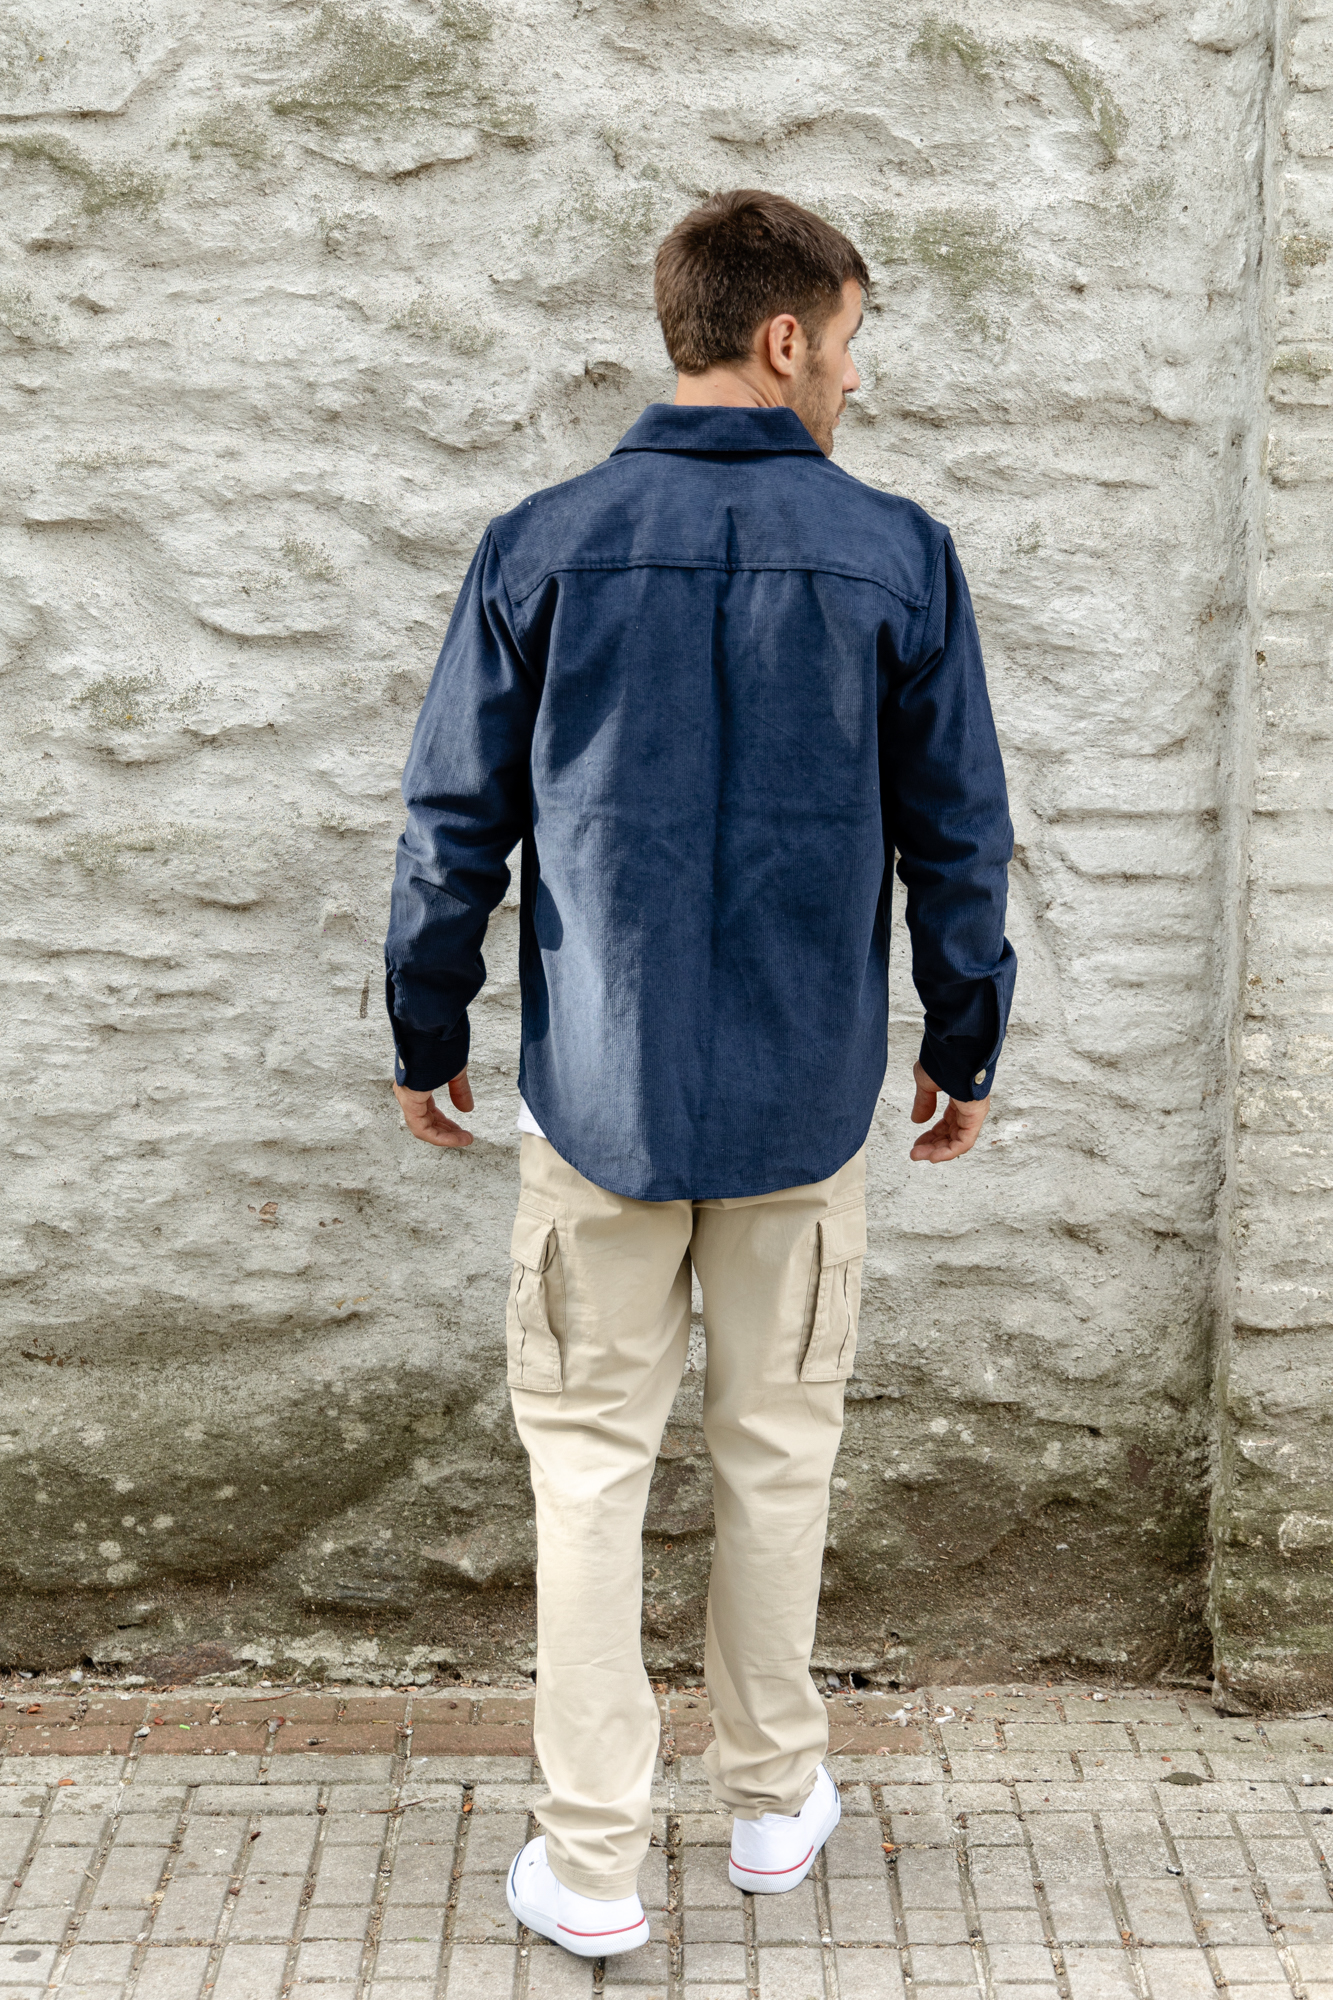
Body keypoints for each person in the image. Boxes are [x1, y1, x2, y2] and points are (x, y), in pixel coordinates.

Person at [383, 188, 1016, 1958]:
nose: (855, 380)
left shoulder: (541, 543)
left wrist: (425, 1031)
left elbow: (451, 826)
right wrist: (964, 1037)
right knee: (776, 1454)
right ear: (783, 335)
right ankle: (768, 1800)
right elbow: (958, 838)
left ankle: (590, 1865)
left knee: (587, 1471)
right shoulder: (897, 554)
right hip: (804, 1101)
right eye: (852, 343)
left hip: (597, 1097)